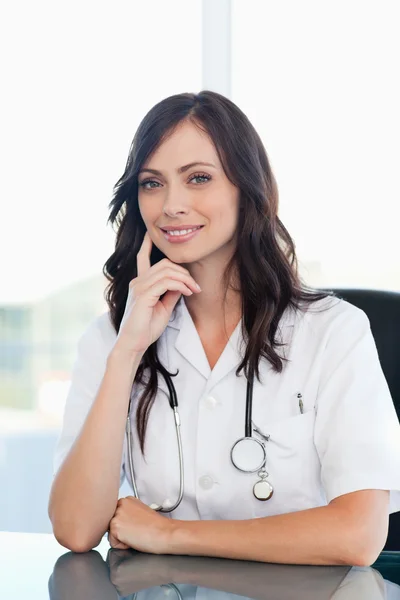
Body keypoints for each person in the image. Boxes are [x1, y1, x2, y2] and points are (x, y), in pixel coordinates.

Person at [48, 90, 400, 565]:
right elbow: (75, 528)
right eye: (152, 184)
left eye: (198, 178)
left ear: (246, 189)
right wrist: (127, 353)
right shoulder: (112, 338)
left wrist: (171, 534)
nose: (171, 204)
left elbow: (357, 536)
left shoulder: (334, 332)